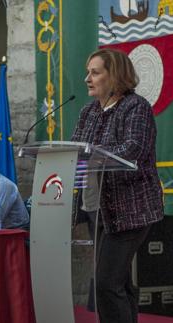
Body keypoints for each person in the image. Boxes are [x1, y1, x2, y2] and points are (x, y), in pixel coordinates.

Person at [71, 47, 163, 323]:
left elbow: (133, 148)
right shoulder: (88, 111)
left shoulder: (136, 107)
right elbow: (75, 148)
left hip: (130, 211)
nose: (87, 78)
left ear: (115, 76)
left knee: (106, 284)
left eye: (95, 72)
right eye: (88, 72)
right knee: (118, 282)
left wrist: (92, 151)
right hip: (96, 208)